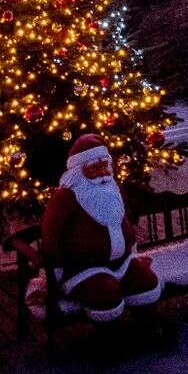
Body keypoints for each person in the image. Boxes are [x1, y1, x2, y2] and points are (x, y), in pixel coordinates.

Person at [40, 134, 162, 322]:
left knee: (146, 281)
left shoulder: (114, 188)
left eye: (105, 166)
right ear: (79, 170)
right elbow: (52, 237)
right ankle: (108, 335)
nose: (103, 172)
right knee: (105, 293)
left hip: (121, 261)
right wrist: (54, 275)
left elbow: (124, 219)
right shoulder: (65, 198)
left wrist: (132, 248)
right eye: (95, 168)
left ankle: (146, 325)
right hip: (82, 269)